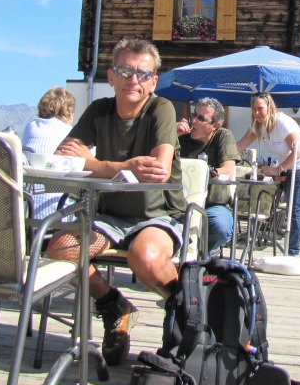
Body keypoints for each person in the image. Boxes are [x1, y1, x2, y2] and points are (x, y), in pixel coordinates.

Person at [45, 38, 186, 367]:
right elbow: (61, 159)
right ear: (110, 76)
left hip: (157, 214)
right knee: (60, 249)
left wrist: (92, 163)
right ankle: (114, 306)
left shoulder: (161, 109)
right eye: (125, 71)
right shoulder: (99, 110)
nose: (133, 80)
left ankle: (186, 310)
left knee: (144, 257)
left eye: (143, 74)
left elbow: (158, 171)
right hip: (108, 216)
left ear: (153, 81)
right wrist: (119, 167)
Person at [236, 93, 300, 261]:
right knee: (298, 208)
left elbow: (298, 152)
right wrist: (226, 157)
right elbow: (241, 145)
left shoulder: (282, 122)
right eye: (254, 109)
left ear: (270, 107)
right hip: (289, 168)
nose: (256, 113)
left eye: (260, 108)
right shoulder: (258, 125)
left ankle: (292, 254)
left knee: (294, 210)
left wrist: (278, 169)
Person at [176, 97, 239, 254]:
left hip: (212, 204)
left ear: (215, 125)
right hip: (178, 203)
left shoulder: (223, 136)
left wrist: (206, 171)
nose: (193, 121)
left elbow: (228, 170)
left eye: (201, 118)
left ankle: (199, 255)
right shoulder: (180, 137)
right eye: (193, 115)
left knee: (220, 227)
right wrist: (170, 135)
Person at [21, 87, 76, 218]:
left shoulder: (31, 127)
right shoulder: (72, 133)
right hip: (60, 216)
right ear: (69, 111)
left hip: (27, 214)